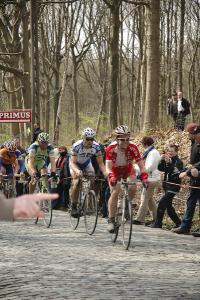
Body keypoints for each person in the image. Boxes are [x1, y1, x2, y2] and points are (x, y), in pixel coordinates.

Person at [105, 125, 149, 233]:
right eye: (122, 139)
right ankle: (111, 219)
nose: (125, 142)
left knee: (133, 187)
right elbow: (108, 167)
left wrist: (144, 177)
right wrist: (111, 177)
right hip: (114, 170)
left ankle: (126, 205)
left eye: (127, 139)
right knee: (115, 191)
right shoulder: (110, 148)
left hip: (128, 169)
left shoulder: (133, 147)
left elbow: (141, 165)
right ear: (117, 139)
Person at [70, 127, 106, 217]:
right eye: (88, 139)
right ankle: (73, 205)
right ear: (83, 138)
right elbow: (73, 163)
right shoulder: (76, 146)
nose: (90, 141)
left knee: (92, 177)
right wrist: (77, 171)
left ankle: (87, 196)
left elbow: (101, 163)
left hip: (86, 163)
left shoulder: (96, 147)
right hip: (75, 164)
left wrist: (106, 174)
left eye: (92, 139)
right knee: (77, 182)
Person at [173, 125, 200, 235]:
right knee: (191, 201)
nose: (189, 136)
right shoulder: (194, 143)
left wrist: (189, 170)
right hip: (195, 178)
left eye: (190, 134)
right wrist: (187, 168)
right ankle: (185, 226)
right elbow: (193, 161)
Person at [150, 144, 183, 229]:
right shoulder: (168, 159)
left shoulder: (178, 162)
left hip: (174, 187)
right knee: (169, 207)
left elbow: (175, 173)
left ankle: (158, 223)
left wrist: (169, 163)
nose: (170, 153)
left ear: (176, 152)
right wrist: (161, 160)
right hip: (167, 186)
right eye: (169, 151)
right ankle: (179, 223)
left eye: (172, 151)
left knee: (162, 203)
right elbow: (160, 168)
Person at [133, 136, 161, 225]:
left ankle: (139, 218)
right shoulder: (150, 152)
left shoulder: (153, 153)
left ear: (145, 144)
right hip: (151, 177)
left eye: (142, 143)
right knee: (149, 199)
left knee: (144, 198)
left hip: (151, 178)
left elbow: (149, 167)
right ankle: (156, 218)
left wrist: (139, 169)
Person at [52, 145, 71, 210]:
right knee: (57, 191)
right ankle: (56, 205)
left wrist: (67, 177)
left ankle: (65, 206)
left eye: (63, 150)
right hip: (58, 176)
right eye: (60, 150)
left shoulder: (68, 157)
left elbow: (67, 168)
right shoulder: (59, 157)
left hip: (66, 177)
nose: (61, 151)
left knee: (65, 192)